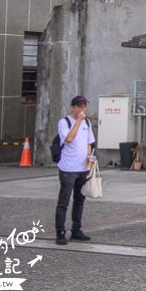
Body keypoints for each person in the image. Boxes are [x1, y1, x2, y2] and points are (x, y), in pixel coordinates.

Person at [55, 95, 96, 245]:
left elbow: (89, 142)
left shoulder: (87, 122)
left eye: (84, 106)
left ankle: (76, 229)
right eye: (80, 106)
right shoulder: (64, 122)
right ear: (73, 107)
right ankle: (60, 231)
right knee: (64, 201)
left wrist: (89, 157)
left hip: (82, 167)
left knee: (80, 200)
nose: (82, 109)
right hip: (68, 168)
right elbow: (69, 139)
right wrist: (78, 121)